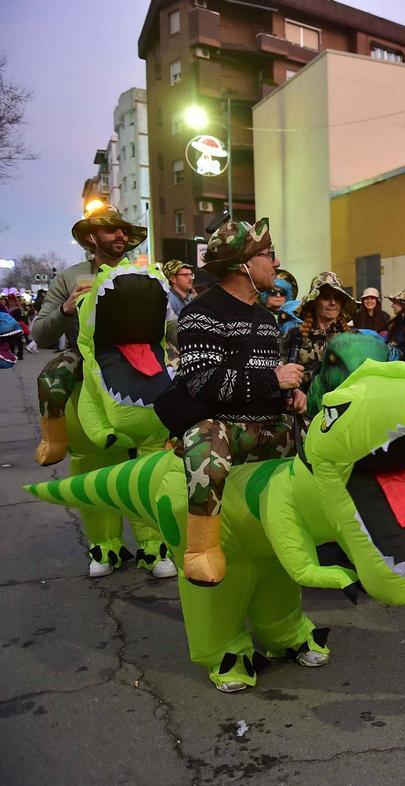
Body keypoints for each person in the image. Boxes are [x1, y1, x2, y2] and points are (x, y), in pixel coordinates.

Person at [174, 218, 302, 589]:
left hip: (271, 427)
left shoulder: (266, 318)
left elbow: (265, 371)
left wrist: (289, 391)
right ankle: (200, 549)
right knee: (206, 444)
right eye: (269, 255)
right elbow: (200, 382)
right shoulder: (200, 313)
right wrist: (272, 379)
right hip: (224, 430)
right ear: (242, 265)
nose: (276, 264)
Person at [31, 204, 145, 468]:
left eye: (124, 231)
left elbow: (169, 322)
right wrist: (66, 309)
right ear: (92, 238)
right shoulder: (69, 277)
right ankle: (53, 440)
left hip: (140, 350)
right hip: (87, 351)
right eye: (110, 229)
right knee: (51, 377)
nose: (120, 235)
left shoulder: (142, 274)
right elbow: (40, 334)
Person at [284, 271, 357, 401]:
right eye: (326, 297)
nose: (333, 302)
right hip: (304, 413)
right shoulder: (295, 336)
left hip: (343, 409)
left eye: (337, 297)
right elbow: (283, 373)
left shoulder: (354, 337)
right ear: (314, 301)